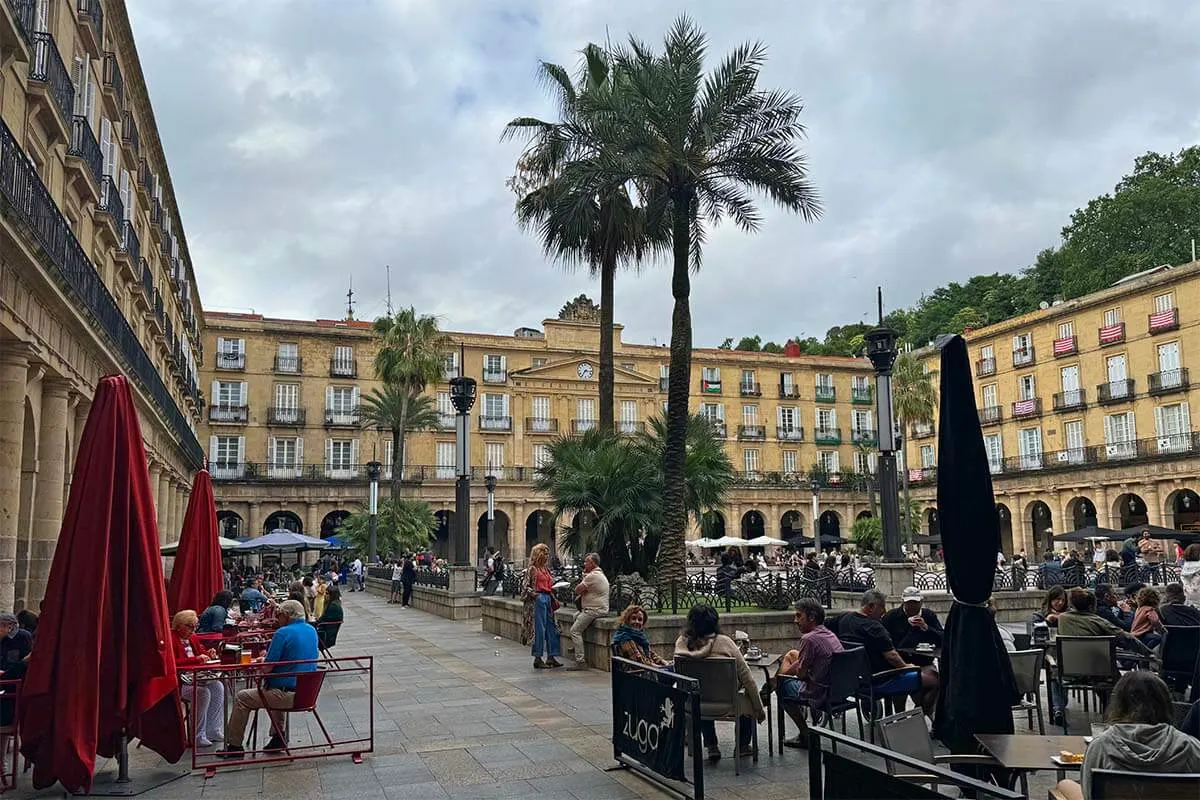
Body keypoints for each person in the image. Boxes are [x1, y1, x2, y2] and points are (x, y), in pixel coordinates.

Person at [1052, 672, 1200, 800]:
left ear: (1118, 704)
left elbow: (1089, 794)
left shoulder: (1100, 747)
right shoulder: (1191, 747)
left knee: (1064, 785)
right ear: (1166, 704)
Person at [219, 600, 318, 757]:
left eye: (278, 615)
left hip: (286, 695)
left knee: (242, 697)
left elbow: (267, 668)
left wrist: (262, 660)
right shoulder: (311, 630)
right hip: (306, 693)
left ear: (286, 615)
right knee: (273, 688)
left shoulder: (283, 633)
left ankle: (234, 745)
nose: (276, 619)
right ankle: (278, 737)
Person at [674, 604, 765, 761]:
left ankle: (711, 746)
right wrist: (758, 709)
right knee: (747, 694)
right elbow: (747, 679)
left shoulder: (682, 643)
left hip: (695, 705)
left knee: (700, 691)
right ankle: (743, 745)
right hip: (729, 703)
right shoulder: (726, 643)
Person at [833, 590, 938, 718]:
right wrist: (907, 666)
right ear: (871, 606)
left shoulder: (845, 618)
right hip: (883, 680)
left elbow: (825, 626)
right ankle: (917, 717)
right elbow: (892, 657)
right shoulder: (875, 628)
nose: (884, 610)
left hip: (856, 680)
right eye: (882, 606)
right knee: (935, 680)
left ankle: (908, 716)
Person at [773, 598, 844, 748]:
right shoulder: (829, 634)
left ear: (811, 617)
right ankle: (770, 685)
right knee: (792, 654)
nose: (795, 620)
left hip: (819, 691)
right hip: (837, 689)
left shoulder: (809, 639)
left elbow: (800, 674)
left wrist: (784, 675)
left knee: (782, 685)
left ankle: (805, 734)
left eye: (799, 616)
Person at [170, 610, 224, 748]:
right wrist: (196, 659)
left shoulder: (193, 637)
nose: (193, 630)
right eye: (190, 626)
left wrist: (209, 654)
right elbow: (171, 663)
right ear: (179, 625)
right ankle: (197, 735)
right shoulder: (172, 638)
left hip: (197, 676)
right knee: (202, 693)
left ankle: (213, 729)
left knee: (218, 687)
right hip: (180, 681)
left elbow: (201, 653)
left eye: (195, 626)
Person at [881, 586, 944, 662]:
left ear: (921, 602)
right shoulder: (891, 616)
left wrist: (926, 627)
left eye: (915, 602)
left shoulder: (929, 615)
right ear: (903, 602)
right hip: (900, 660)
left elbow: (942, 638)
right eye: (909, 603)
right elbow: (884, 641)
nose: (912, 606)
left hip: (924, 660)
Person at [568, 552, 609, 667]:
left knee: (574, 631)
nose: (584, 564)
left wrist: (584, 579)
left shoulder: (592, 576)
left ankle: (580, 660)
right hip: (596, 608)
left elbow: (577, 589)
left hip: (595, 609)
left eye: (586, 562)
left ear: (592, 563)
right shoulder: (598, 574)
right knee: (575, 616)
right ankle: (576, 646)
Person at [526, 543, 562, 669]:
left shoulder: (546, 569)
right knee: (540, 629)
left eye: (547, 553)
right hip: (539, 599)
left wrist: (554, 588)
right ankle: (538, 657)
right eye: (544, 553)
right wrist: (536, 595)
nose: (547, 556)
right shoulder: (532, 569)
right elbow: (525, 587)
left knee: (552, 627)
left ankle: (552, 656)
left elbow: (549, 583)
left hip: (548, 598)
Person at [315, 585, 343, 650]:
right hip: (326, 633)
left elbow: (323, 620)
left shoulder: (333, 606)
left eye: (327, 593)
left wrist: (314, 621)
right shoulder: (334, 603)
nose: (325, 595)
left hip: (325, 636)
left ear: (332, 595)